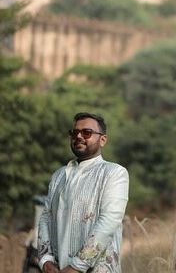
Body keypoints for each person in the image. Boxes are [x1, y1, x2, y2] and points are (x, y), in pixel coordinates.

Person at [38, 112, 129, 273]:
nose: (79, 136)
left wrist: (76, 267)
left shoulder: (114, 172)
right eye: (74, 132)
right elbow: (46, 217)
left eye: (86, 132)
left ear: (103, 140)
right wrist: (45, 260)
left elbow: (109, 220)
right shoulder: (59, 175)